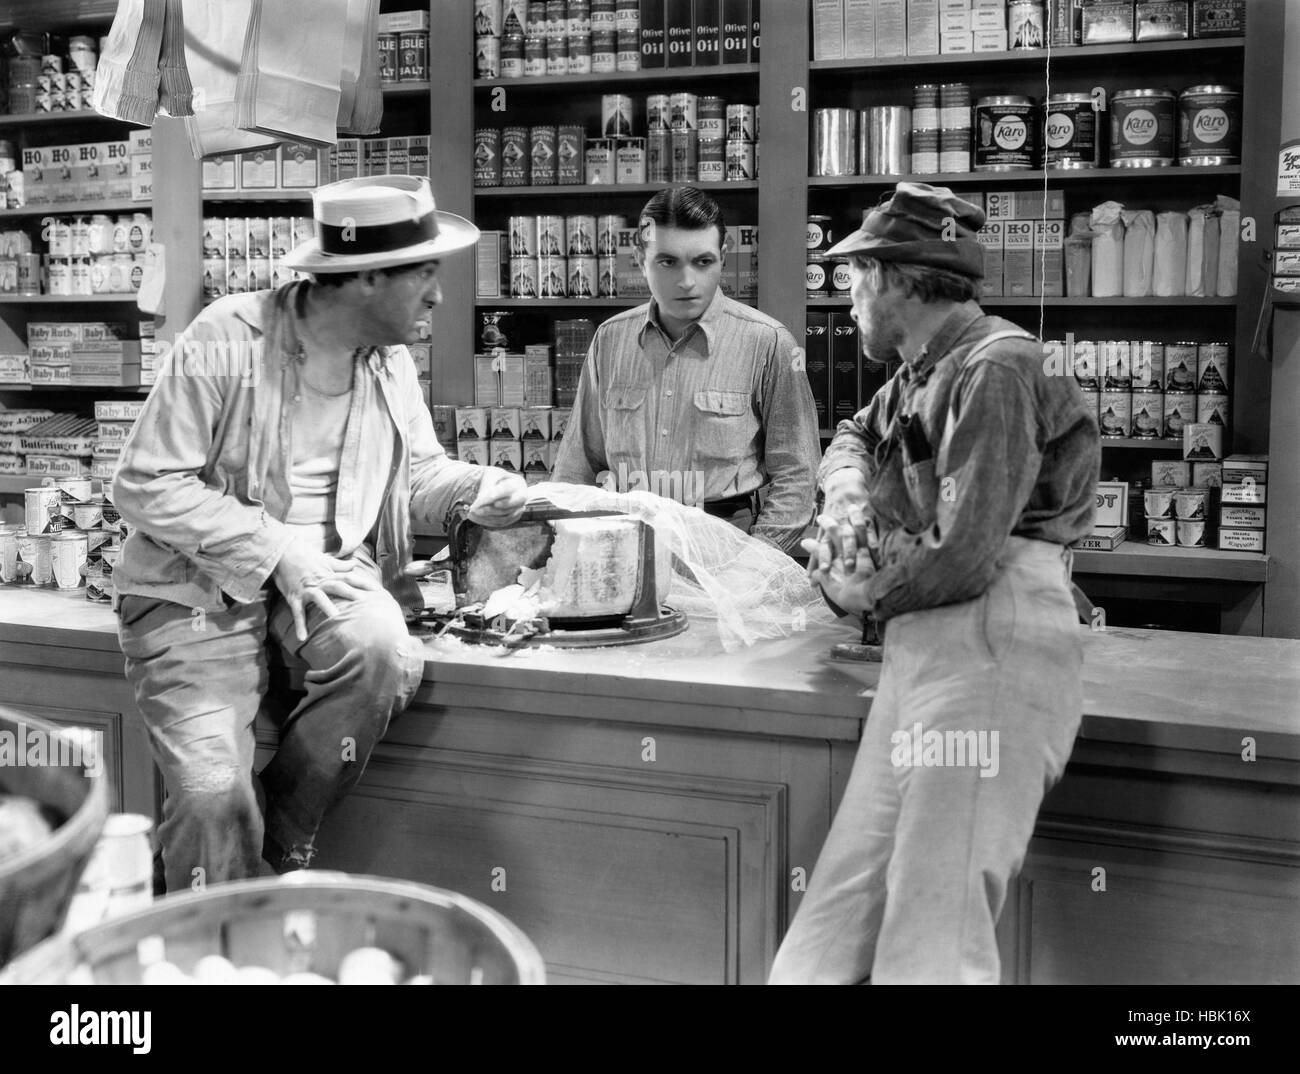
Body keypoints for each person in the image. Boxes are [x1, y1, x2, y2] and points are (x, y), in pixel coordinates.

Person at [112, 175, 527, 892]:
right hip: (197, 594)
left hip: (330, 573)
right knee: (214, 792)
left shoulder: (389, 359)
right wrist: (278, 551)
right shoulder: (224, 337)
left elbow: (417, 473)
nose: (439, 294)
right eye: (425, 273)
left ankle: (269, 852)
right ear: (366, 277)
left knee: (382, 651)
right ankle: (219, 923)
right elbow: (145, 483)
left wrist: (479, 489)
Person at [768, 183, 1099, 984]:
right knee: (838, 916)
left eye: (853, 279)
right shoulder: (926, 367)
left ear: (893, 279)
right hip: (928, 647)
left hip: (992, 639)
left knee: (934, 938)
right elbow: (852, 433)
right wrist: (845, 498)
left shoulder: (1001, 365)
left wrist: (859, 592)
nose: (846, 299)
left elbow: (964, 552)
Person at [550, 186, 820, 554]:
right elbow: (577, 467)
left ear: (723, 257)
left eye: (703, 262)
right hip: (625, 547)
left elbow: (799, 476)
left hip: (727, 551)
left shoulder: (769, 343)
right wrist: (569, 550)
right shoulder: (609, 340)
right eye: (668, 262)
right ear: (640, 259)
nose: (687, 281)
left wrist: (754, 564)